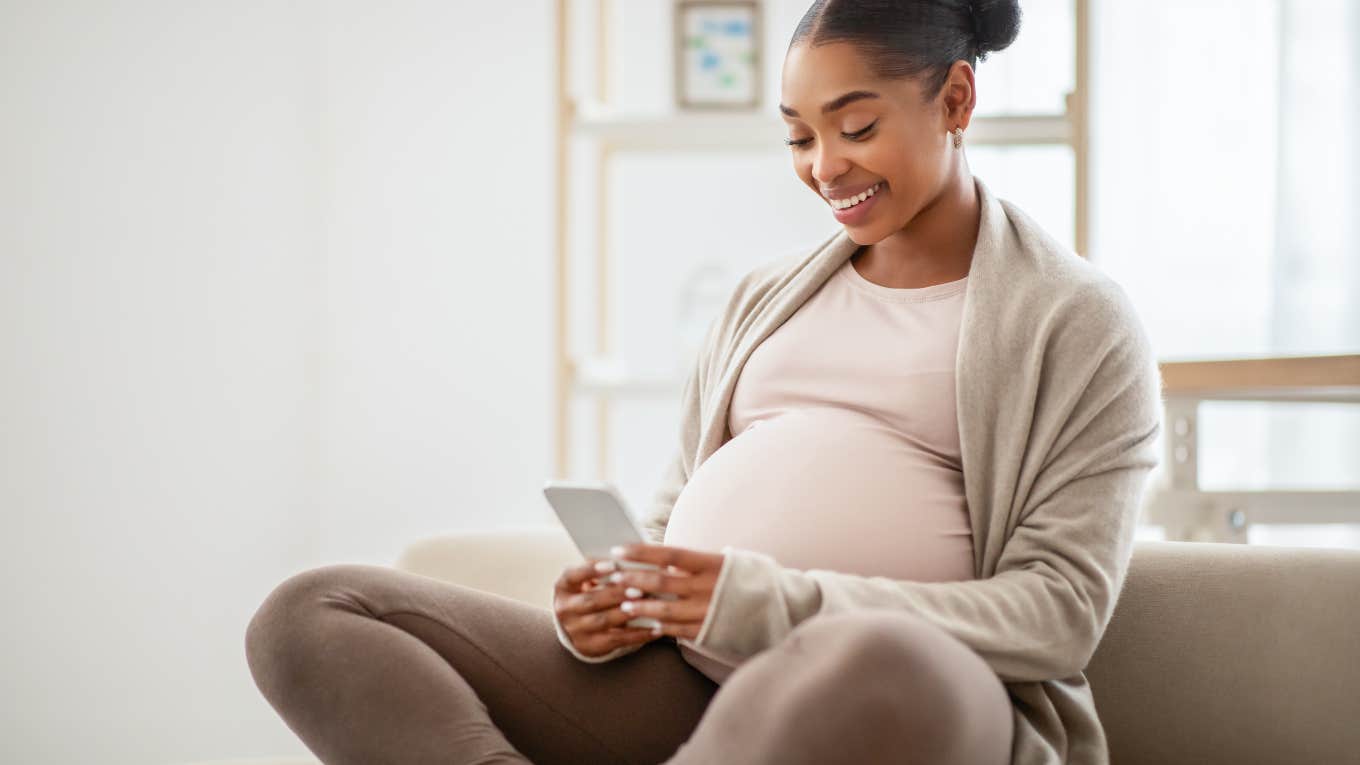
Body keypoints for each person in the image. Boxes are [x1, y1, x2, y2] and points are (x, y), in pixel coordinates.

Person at [245, 1, 1164, 763]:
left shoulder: (1073, 320)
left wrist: (762, 602)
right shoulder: (763, 299)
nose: (824, 167)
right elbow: (677, 515)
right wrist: (614, 602)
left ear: (956, 100)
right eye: (800, 136)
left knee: (877, 657)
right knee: (311, 614)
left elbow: (1058, 612)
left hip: (917, 699)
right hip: (690, 681)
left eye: (856, 127)